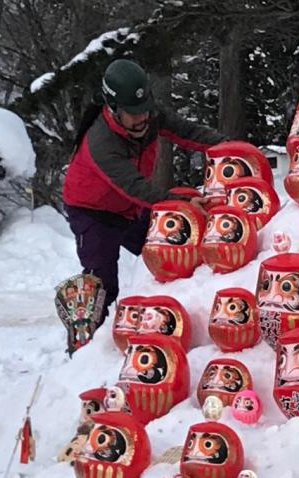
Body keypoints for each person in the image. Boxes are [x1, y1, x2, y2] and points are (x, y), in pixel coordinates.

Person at [62, 59, 226, 317]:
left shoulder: (149, 116)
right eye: (134, 112)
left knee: (171, 249)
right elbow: (133, 186)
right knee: (103, 282)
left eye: (145, 109)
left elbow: (188, 132)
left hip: (131, 207)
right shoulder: (101, 142)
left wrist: (228, 148)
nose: (143, 117)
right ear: (114, 109)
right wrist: (179, 203)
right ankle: (89, 340)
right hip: (93, 212)